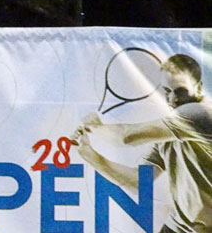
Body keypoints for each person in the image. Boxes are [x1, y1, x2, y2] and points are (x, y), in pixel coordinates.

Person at [72, 54, 212, 233]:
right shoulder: (167, 133)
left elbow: (126, 137)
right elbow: (140, 183)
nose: (173, 100)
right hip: (177, 228)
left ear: (199, 88)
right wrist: (90, 155)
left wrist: (95, 126)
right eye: (167, 91)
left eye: (181, 91)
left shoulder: (200, 114)